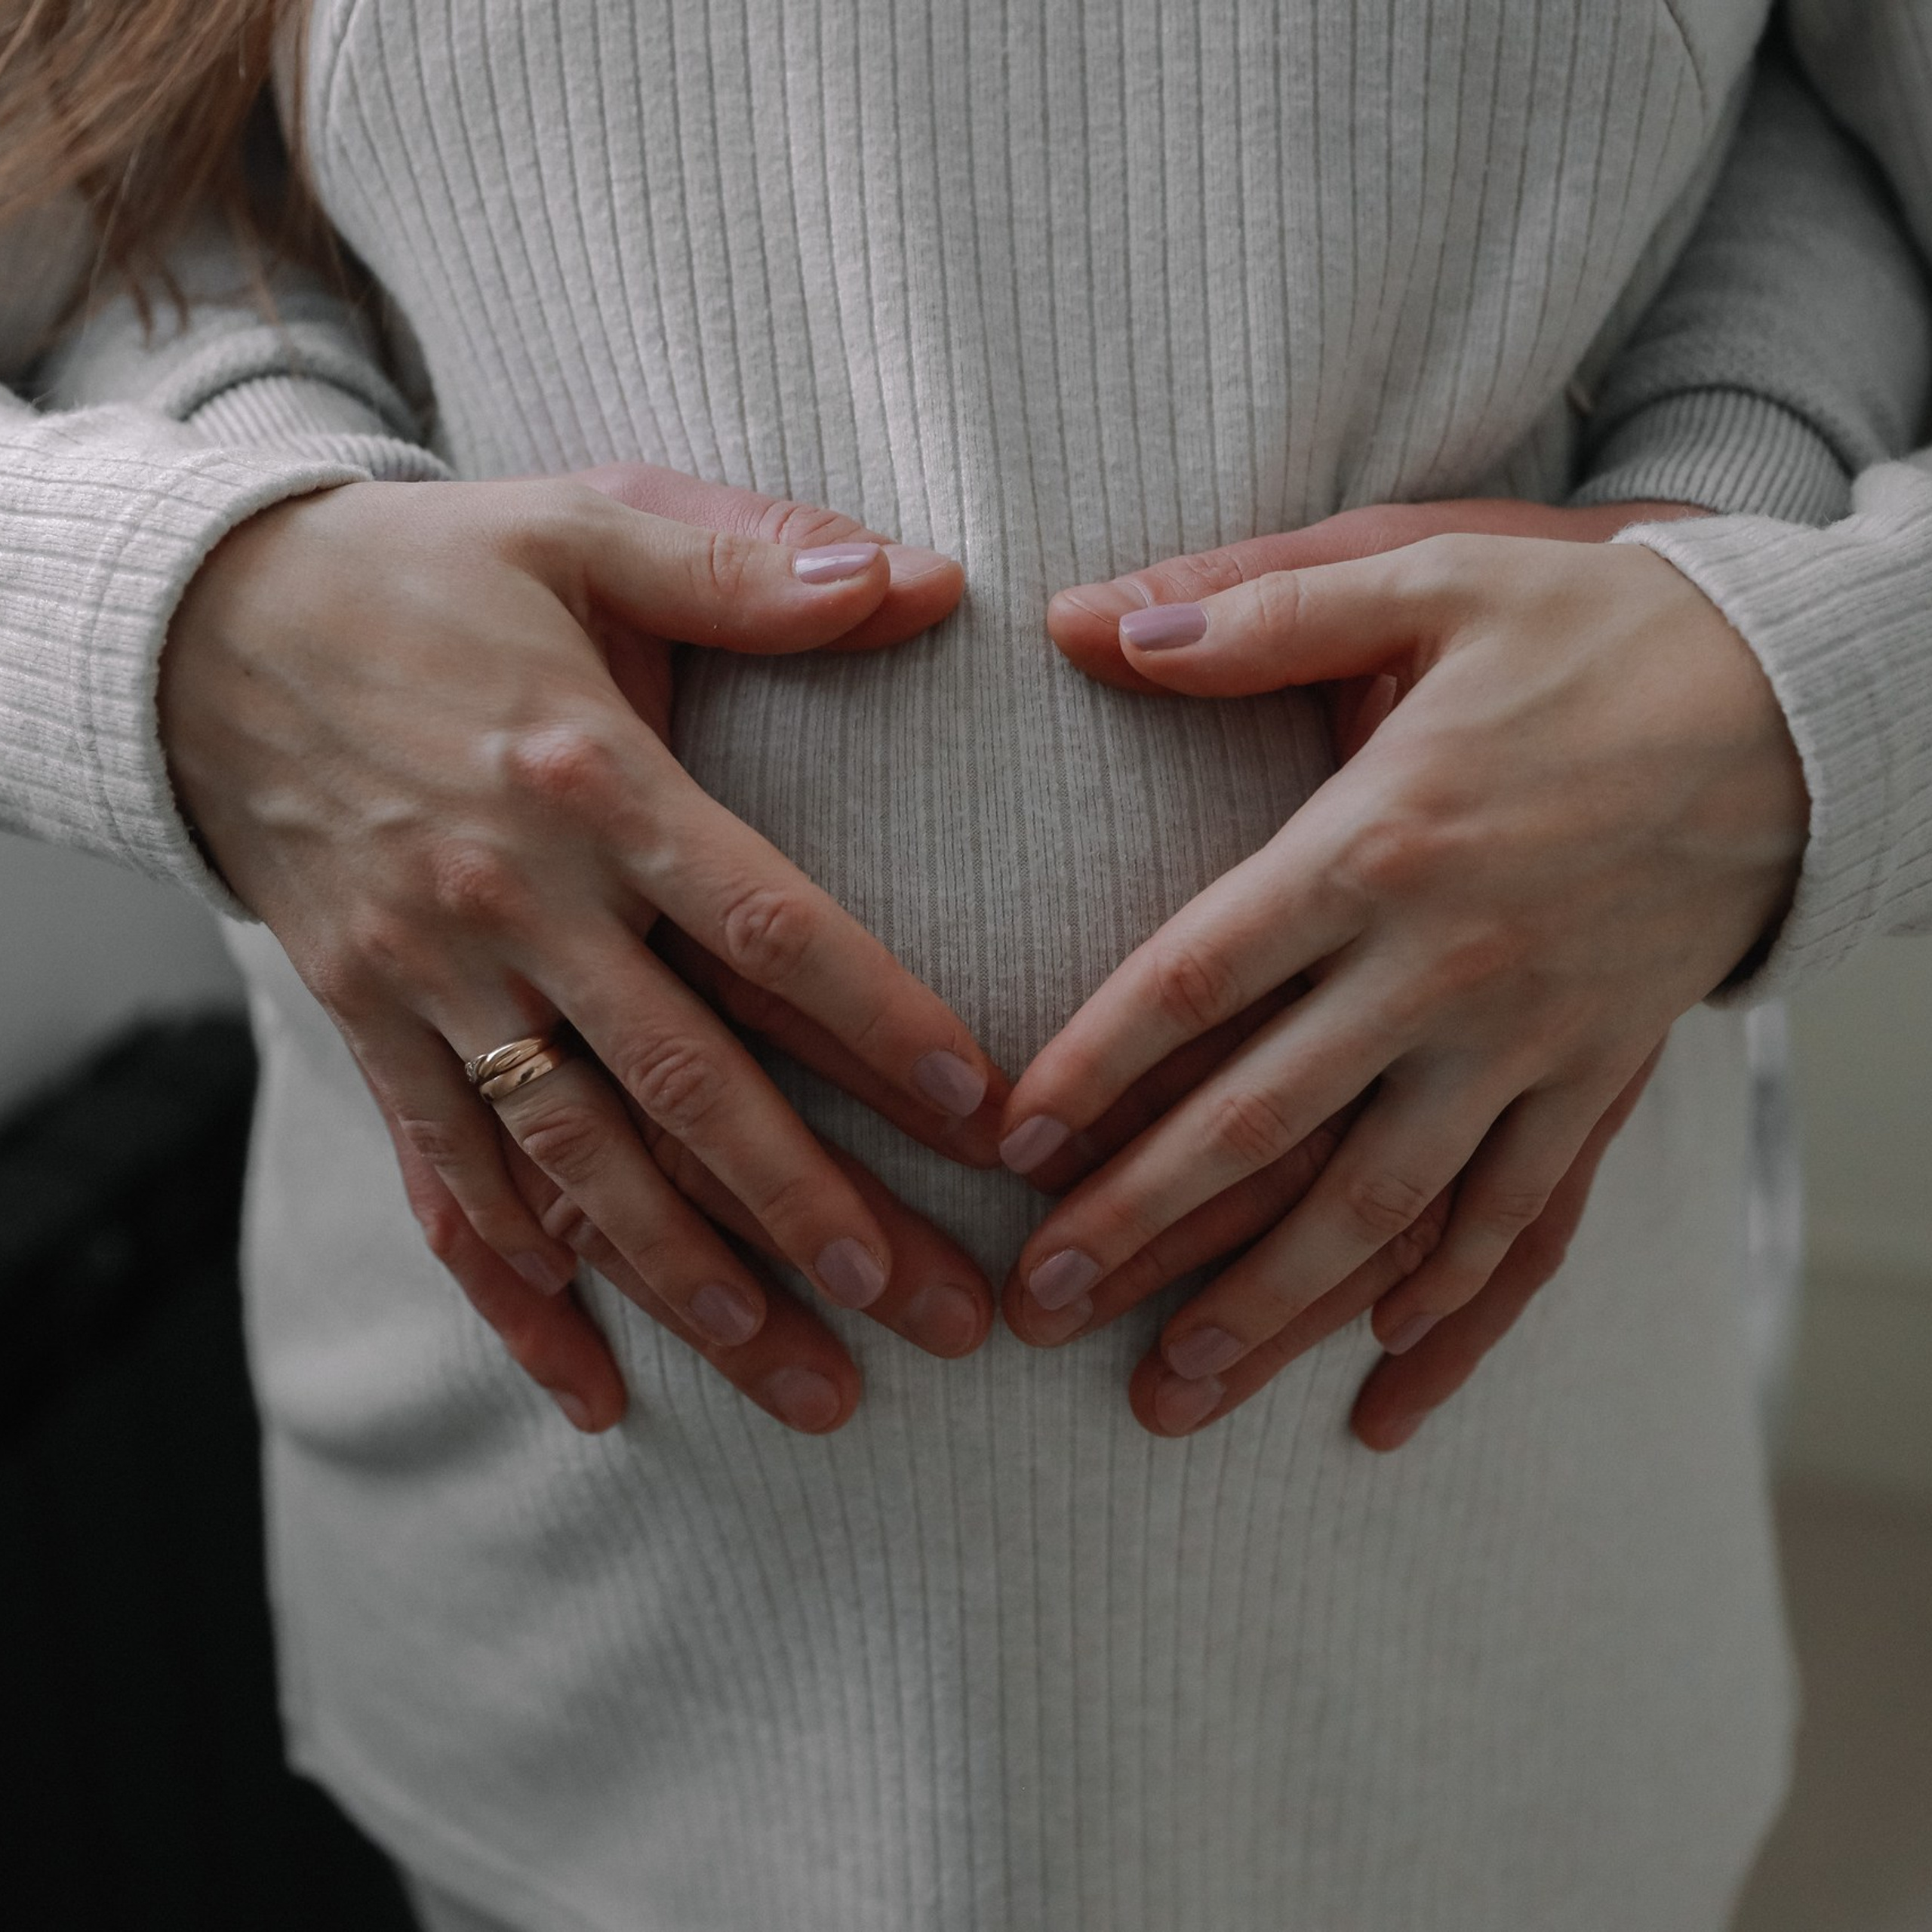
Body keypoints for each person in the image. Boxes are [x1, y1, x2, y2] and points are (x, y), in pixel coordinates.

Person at [4, 3, 1930, 1928]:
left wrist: (1775, 661)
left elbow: (1818, 118)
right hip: (577, 1619)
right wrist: (204, 596)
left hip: (1468, 1623)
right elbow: (125, 160)